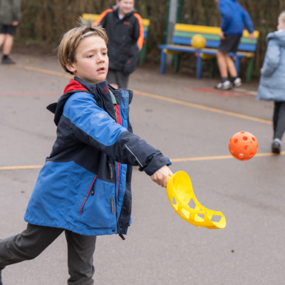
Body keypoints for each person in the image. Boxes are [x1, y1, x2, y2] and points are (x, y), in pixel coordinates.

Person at [0, 24, 172, 285]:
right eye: (90, 55)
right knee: (28, 247)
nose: (100, 59)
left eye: (103, 52)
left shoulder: (107, 95)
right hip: (62, 194)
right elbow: (110, 134)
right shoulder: (78, 103)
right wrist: (151, 160)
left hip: (88, 195)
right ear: (71, 65)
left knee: (82, 272)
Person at [94, 0, 144, 89]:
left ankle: (119, 103)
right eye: (125, 2)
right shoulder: (108, 14)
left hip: (124, 61)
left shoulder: (136, 19)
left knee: (122, 91)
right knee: (113, 87)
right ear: (118, 3)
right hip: (108, 58)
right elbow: (95, 30)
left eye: (130, 3)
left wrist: (132, 59)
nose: (128, 5)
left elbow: (138, 41)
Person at [256, 12, 285, 154]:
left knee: (277, 108)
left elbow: (273, 60)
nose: (277, 26)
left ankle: (275, 138)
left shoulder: (277, 39)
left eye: (279, 23)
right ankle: (278, 139)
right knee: (284, 110)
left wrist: (265, 71)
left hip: (278, 80)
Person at [215, 0, 255, 90]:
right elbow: (245, 15)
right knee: (226, 54)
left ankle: (224, 81)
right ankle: (234, 78)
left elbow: (228, 16)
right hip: (238, 32)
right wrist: (250, 30)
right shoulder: (235, 3)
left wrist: (223, 30)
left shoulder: (223, 2)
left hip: (230, 31)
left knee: (220, 53)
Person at [0, 0, 21, 64]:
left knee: (2, 34)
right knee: (9, 35)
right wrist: (16, 18)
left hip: (1, 15)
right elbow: (16, 6)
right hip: (10, 16)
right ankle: (5, 57)